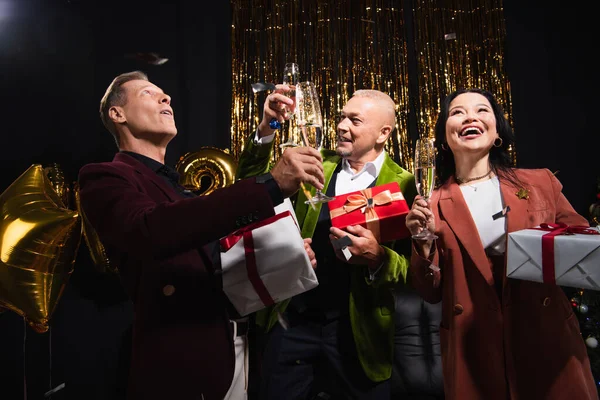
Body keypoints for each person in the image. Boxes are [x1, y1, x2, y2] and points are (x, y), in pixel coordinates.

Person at [77, 71, 324, 400]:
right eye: (149, 94)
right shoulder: (103, 178)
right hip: (182, 364)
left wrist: (284, 258)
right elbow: (151, 231)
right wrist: (271, 184)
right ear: (117, 114)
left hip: (239, 356)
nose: (166, 98)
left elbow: (216, 268)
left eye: (166, 93)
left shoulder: (183, 191)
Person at [237, 87, 442, 399]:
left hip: (359, 334)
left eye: (355, 121)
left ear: (383, 133)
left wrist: (378, 258)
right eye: (342, 117)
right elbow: (250, 185)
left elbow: (415, 273)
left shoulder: (405, 183)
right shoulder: (316, 162)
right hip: (293, 322)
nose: (342, 126)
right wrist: (268, 127)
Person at [405, 88, 597, 400]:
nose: (470, 116)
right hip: (474, 348)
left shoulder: (539, 183)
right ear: (444, 137)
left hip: (546, 340)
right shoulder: (433, 203)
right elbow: (430, 291)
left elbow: (580, 239)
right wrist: (422, 240)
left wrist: (540, 246)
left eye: (482, 110)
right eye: (457, 112)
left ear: (497, 132)